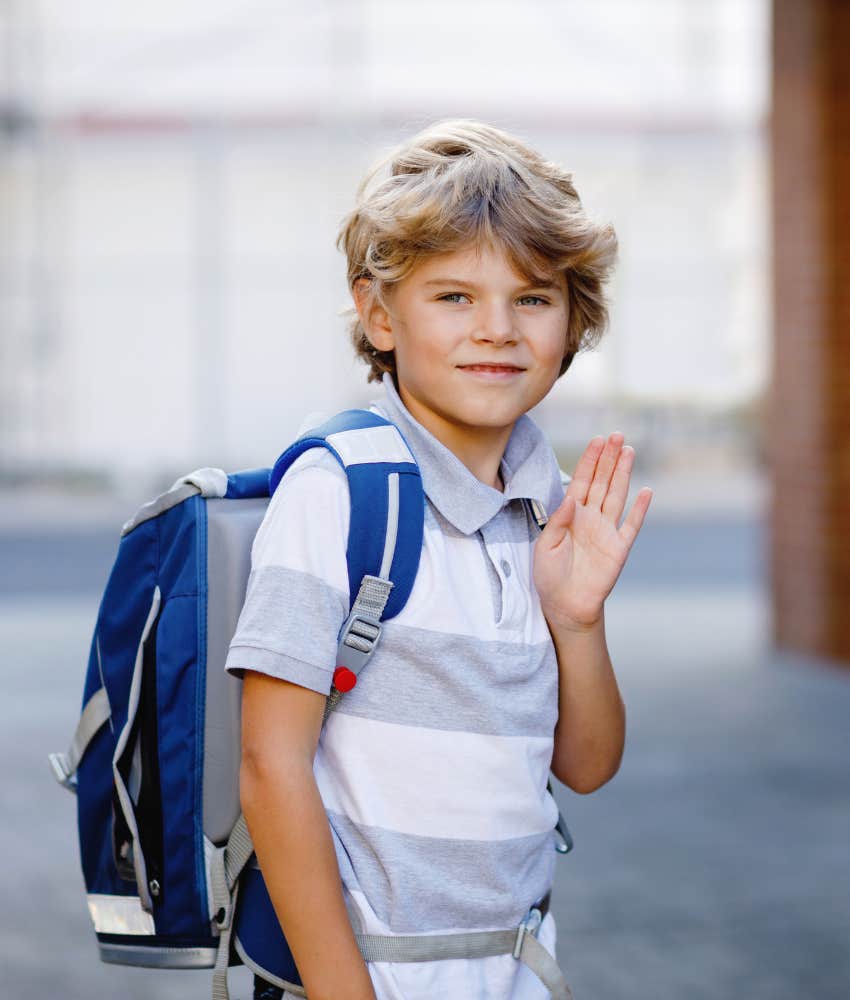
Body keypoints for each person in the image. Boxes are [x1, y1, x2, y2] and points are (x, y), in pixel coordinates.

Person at [225, 118, 653, 1000]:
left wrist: (578, 622)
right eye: (454, 297)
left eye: (532, 298)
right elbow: (270, 769)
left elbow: (587, 766)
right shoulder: (339, 491)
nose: (496, 329)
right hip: (355, 978)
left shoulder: (549, 502)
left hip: (514, 970)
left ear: (573, 320)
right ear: (380, 314)